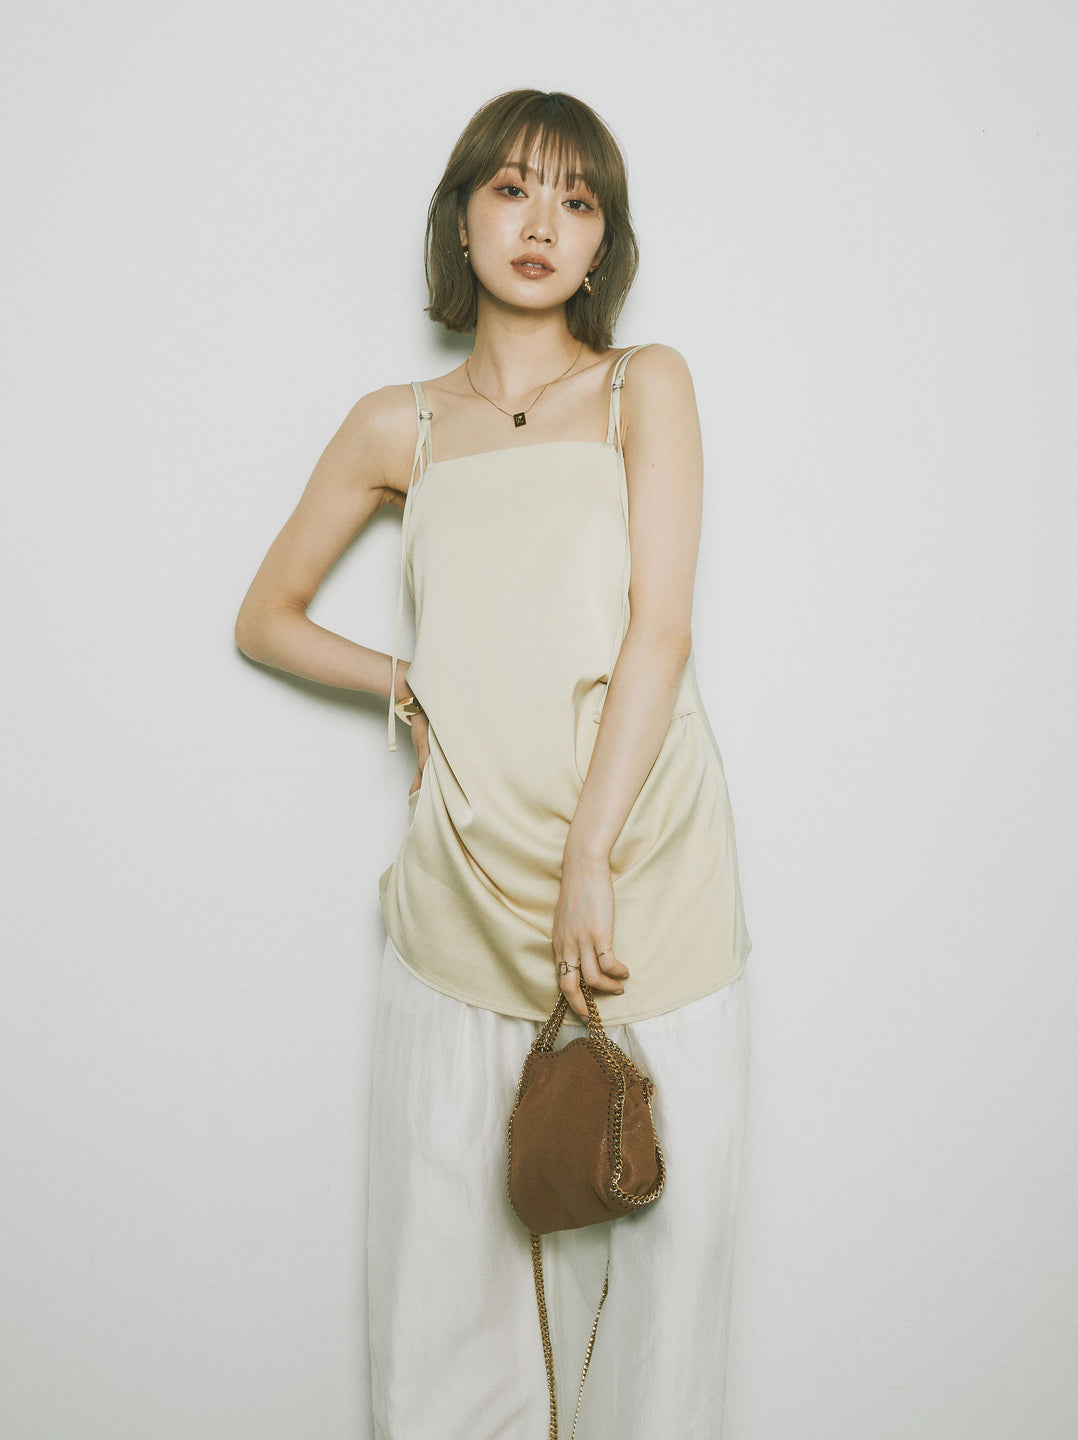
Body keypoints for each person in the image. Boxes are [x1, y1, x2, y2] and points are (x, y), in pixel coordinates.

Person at [236, 88, 752, 1440]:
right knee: (445, 1286)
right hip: (464, 876)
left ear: (603, 242)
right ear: (461, 218)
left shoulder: (644, 385)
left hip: (646, 866)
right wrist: (405, 684)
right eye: (513, 188)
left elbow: (660, 629)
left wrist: (591, 856)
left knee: (665, 1280)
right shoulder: (396, 425)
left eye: (577, 201)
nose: (541, 223)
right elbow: (266, 617)